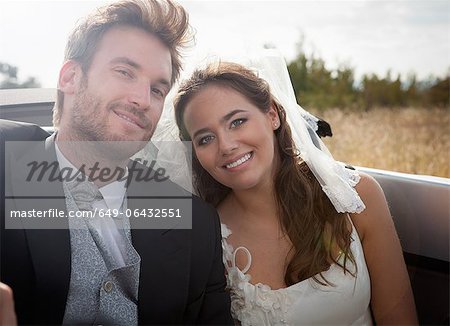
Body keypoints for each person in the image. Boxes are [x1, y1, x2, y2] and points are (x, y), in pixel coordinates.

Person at [0, 0, 232, 324]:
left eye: (157, 89)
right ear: (70, 77)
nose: (141, 99)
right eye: (124, 72)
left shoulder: (196, 224)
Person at [173, 57, 418, 325]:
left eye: (237, 122)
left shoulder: (355, 197)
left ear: (272, 116)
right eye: (205, 138)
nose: (226, 145)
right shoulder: (206, 239)